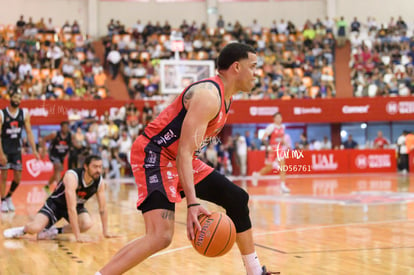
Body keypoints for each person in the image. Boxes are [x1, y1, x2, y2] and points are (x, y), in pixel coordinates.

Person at [98, 43, 278, 275]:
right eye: (253, 67)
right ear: (236, 67)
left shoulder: (226, 98)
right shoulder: (208, 96)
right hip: (155, 153)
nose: (256, 73)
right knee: (160, 236)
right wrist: (192, 203)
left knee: (237, 198)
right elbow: (184, 151)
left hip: (178, 158)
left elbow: (186, 153)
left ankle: (255, 271)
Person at [3, 155, 115, 242]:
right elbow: (71, 209)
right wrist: (78, 236)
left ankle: (53, 231)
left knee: (87, 224)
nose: (98, 170)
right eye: (95, 167)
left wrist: (106, 232)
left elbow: (103, 209)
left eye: (100, 167)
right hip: (56, 204)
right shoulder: (72, 176)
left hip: (77, 206)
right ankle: (21, 230)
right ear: (86, 166)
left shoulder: (99, 182)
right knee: (35, 228)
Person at [0, 89, 39, 212]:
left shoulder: (24, 113)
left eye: (19, 98)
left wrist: (35, 150)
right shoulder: (1, 114)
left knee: (18, 177)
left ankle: (8, 197)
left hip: (16, 149)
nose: (17, 100)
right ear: (10, 98)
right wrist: (0, 154)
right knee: (4, 176)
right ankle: (2, 201)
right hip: (4, 149)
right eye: (15, 97)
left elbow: (29, 132)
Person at [252, 112, 290, 193]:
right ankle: (256, 175)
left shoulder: (283, 127)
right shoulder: (271, 127)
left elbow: (282, 139)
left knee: (282, 165)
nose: (279, 119)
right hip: (272, 149)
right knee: (269, 168)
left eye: (280, 117)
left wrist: (287, 145)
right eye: (277, 117)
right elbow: (263, 138)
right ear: (274, 119)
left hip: (279, 149)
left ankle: (283, 185)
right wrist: (269, 147)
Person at [42, 121, 73, 193]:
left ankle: (47, 186)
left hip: (61, 156)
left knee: (56, 172)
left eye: (67, 127)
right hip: (53, 154)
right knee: (58, 168)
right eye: (64, 127)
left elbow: (71, 145)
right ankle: (60, 189)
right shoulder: (55, 134)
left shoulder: (70, 136)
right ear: (61, 128)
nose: (66, 129)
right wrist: (44, 150)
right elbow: (44, 139)